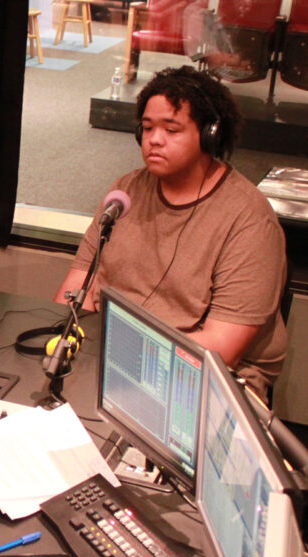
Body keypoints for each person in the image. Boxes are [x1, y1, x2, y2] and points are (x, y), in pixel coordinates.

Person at [53, 66, 286, 398]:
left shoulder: (249, 221)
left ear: (209, 135)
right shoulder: (125, 192)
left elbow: (222, 348)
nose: (154, 140)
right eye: (148, 128)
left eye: (171, 129)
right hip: (110, 356)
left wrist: (122, 360)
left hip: (204, 376)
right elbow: (75, 291)